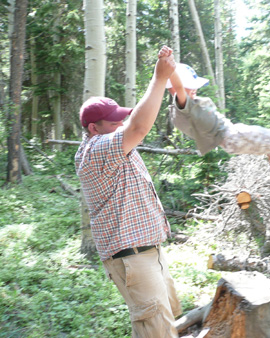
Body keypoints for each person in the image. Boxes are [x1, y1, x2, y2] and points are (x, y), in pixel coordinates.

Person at [75, 46, 182, 338]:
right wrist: (159, 79)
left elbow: (137, 121)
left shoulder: (115, 144)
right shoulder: (95, 151)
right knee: (156, 329)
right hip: (130, 257)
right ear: (93, 129)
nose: (121, 125)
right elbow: (139, 126)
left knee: (164, 322)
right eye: (114, 122)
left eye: (122, 119)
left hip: (148, 250)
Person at [165, 62, 270, 181]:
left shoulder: (189, 105)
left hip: (232, 134)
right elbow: (178, 87)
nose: (195, 89)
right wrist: (170, 68)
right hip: (230, 137)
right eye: (190, 86)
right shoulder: (183, 107)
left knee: (267, 142)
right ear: (174, 88)